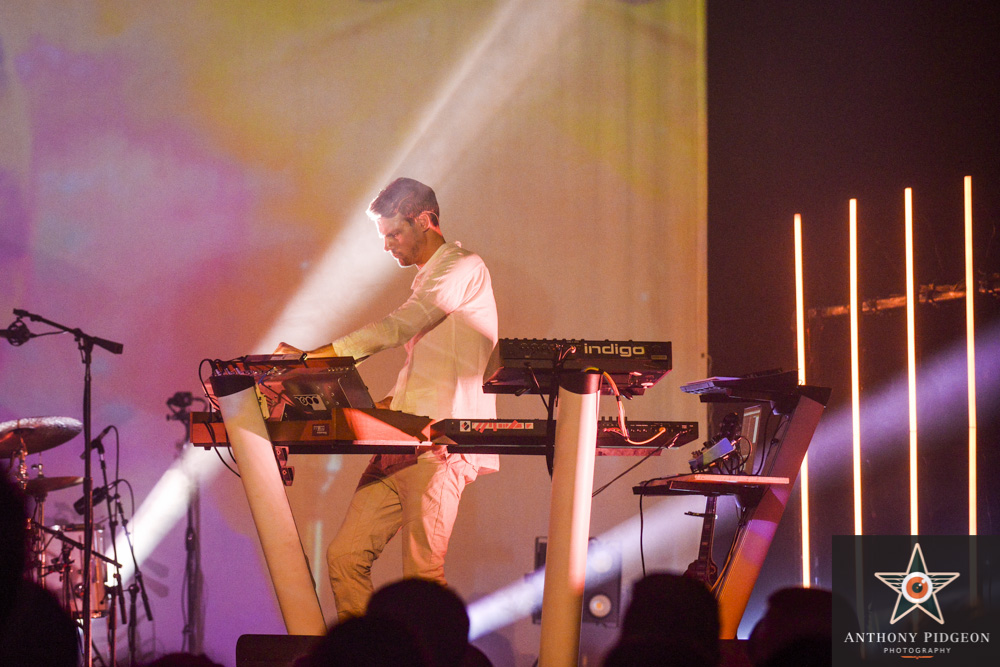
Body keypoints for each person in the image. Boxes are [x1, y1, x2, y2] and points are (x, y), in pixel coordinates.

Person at [276, 177, 499, 622]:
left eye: (393, 233)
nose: (387, 246)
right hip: (402, 444)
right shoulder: (432, 278)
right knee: (344, 558)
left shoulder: (462, 265)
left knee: (422, 578)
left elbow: (396, 328)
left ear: (425, 220)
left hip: (438, 446)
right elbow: (421, 373)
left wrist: (309, 360)